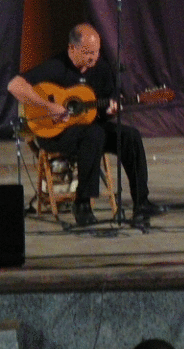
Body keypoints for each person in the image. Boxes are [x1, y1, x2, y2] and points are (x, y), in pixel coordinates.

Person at [6, 23, 159, 226]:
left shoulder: (101, 67)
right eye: (88, 53)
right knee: (94, 134)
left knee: (129, 136)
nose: (93, 58)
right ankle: (82, 204)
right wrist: (49, 106)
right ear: (72, 49)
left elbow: (106, 104)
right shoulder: (56, 67)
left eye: (96, 52)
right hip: (54, 133)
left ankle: (141, 202)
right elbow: (14, 85)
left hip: (91, 131)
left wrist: (112, 109)